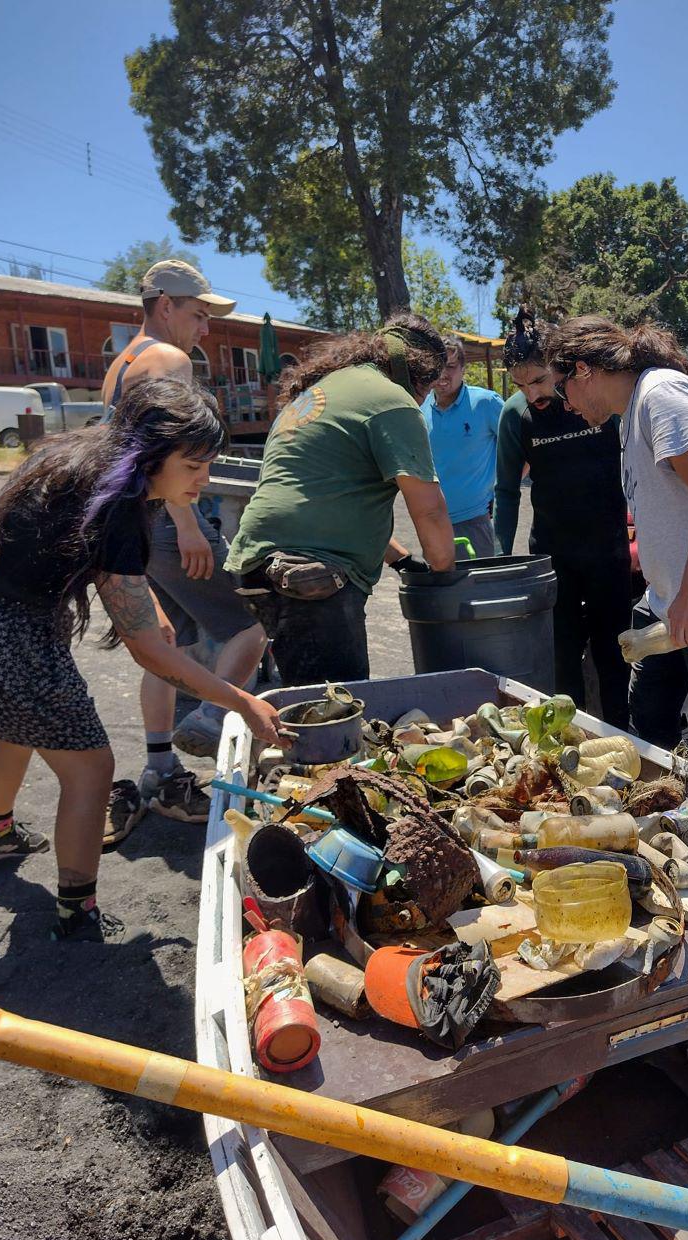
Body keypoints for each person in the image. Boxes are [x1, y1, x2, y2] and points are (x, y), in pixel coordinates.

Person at [0, 379, 287, 941]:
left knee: (18, 725)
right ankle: (78, 910)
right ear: (151, 454)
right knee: (91, 768)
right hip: (10, 635)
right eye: (193, 464)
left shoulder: (77, 461)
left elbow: (115, 584)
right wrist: (239, 702)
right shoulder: (120, 506)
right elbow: (145, 647)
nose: (204, 478)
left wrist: (156, 624)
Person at [545, 316, 688, 795]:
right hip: (670, 605)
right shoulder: (632, 413)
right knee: (648, 718)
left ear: (584, 369)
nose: (565, 404)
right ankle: (666, 822)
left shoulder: (661, 395)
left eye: (562, 387)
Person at [101, 260, 267, 826]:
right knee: (253, 620)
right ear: (164, 305)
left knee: (164, 644)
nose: (204, 331)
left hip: (140, 528)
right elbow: (168, 448)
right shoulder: (169, 359)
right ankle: (217, 720)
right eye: (197, 315)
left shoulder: (120, 362)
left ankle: (159, 768)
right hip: (172, 523)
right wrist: (190, 524)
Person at [225, 313, 456, 685]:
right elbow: (429, 510)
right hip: (312, 570)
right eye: (428, 389)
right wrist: (445, 577)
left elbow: (333, 499)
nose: (425, 398)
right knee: (335, 713)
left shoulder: (326, 390)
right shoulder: (392, 399)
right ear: (418, 371)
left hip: (257, 559)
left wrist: (402, 561)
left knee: (307, 697)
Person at [494, 307, 632, 729]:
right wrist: (503, 559)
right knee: (562, 658)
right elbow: (505, 492)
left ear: (557, 365)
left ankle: (623, 740)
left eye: (538, 380)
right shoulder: (516, 415)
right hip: (555, 556)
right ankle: (568, 744)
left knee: (615, 655)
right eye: (520, 385)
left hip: (609, 551)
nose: (532, 393)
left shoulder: (594, 398)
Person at [420, 336, 503, 557]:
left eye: (450, 367)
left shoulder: (486, 403)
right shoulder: (419, 410)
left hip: (475, 522)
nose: (442, 374)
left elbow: (521, 449)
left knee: (480, 589)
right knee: (441, 591)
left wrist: (503, 489)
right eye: (437, 367)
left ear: (463, 369)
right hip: (434, 523)